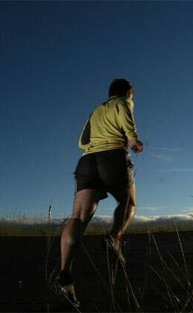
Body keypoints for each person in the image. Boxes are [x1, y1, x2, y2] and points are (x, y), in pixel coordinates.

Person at [54, 78, 144, 308]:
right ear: (128, 93)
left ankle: (64, 275)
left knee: (79, 217)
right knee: (129, 204)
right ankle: (113, 238)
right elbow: (127, 117)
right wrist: (133, 139)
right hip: (112, 157)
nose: (131, 99)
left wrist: (95, 145)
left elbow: (81, 141)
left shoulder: (96, 111)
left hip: (87, 160)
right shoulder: (123, 103)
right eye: (131, 95)